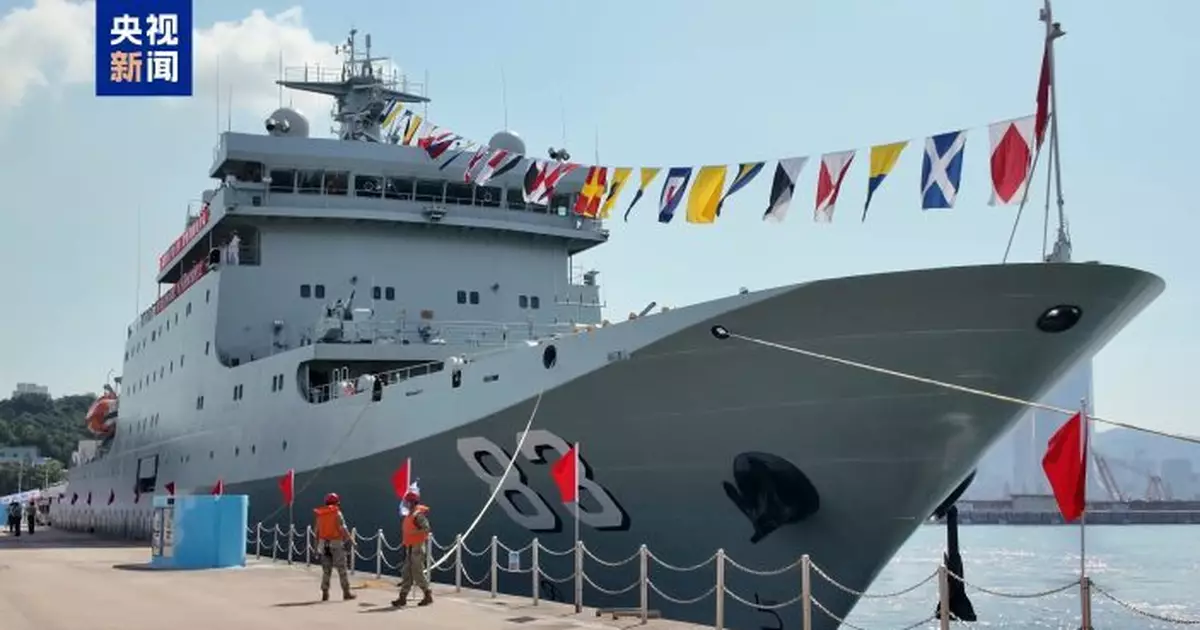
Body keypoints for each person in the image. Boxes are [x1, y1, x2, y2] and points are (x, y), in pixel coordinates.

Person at [392, 490, 433, 607]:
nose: (405, 504)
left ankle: (427, 594)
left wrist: (415, 533)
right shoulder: (410, 515)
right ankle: (402, 597)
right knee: (406, 572)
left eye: (407, 502)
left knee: (418, 572)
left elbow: (426, 528)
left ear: (412, 502)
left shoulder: (418, 515)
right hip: (410, 547)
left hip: (417, 547)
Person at [313, 493, 356, 602]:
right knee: (342, 569)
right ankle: (346, 592)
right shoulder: (337, 513)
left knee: (326, 570)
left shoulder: (320, 515)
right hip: (336, 543)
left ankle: (325, 592)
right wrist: (351, 540)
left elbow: (316, 532)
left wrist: (316, 547)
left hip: (323, 544)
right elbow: (343, 528)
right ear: (337, 502)